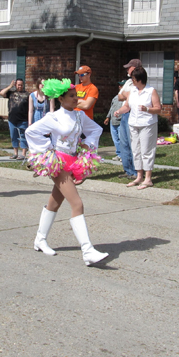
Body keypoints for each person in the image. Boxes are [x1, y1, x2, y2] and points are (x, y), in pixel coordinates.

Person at [25, 78, 108, 266]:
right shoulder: (53, 117)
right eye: (71, 96)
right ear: (61, 99)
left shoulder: (80, 116)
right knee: (77, 203)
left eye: (76, 95)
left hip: (73, 161)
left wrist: (88, 144)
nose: (76, 99)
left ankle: (40, 239)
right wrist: (48, 150)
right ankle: (87, 250)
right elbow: (31, 132)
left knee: (54, 202)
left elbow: (96, 129)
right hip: (58, 163)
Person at [115, 66, 162, 190]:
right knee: (135, 150)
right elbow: (127, 106)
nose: (132, 81)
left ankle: (148, 178)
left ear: (140, 79)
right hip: (133, 124)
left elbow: (158, 108)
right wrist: (119, 111)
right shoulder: (132, 92)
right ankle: (139, 176)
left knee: (147, 151)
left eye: (134, 79)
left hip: (147, 124)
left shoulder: (151, 91)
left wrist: (147, 109)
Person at [117, 59, 141, 179]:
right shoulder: (128, 82)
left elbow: (132, 96)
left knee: (133, 143)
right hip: (124, 114)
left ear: (135, 68)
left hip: (133, 113)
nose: (127, 69)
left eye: (129, 67)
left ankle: (135, 171)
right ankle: (127, 170)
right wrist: (127, 95)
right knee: (124, 142)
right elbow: (119, 96)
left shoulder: (139, 81)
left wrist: (127, 95)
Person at [0, 78, 30, 159]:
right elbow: (2, 93)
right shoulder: (10, 93)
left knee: (23, 136)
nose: (20, 86)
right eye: (18, 85)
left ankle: (23, 154)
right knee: (13, 136)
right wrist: (10, 86)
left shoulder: (27, 94)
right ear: (15, 85)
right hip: (12, 119)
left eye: (21, 85)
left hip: (23, 119)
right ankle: (15, 153)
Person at [105, 86, 125, 157]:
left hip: (121, 121)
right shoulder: (116, 97)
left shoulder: (127, 98)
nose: (120, 87)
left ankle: (123, 155)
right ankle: (119, 154)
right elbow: (112, 108)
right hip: (112, 121)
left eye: (122, 85)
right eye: (119, 85)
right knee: (115, 139)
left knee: (122, 139)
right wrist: (108, 117)